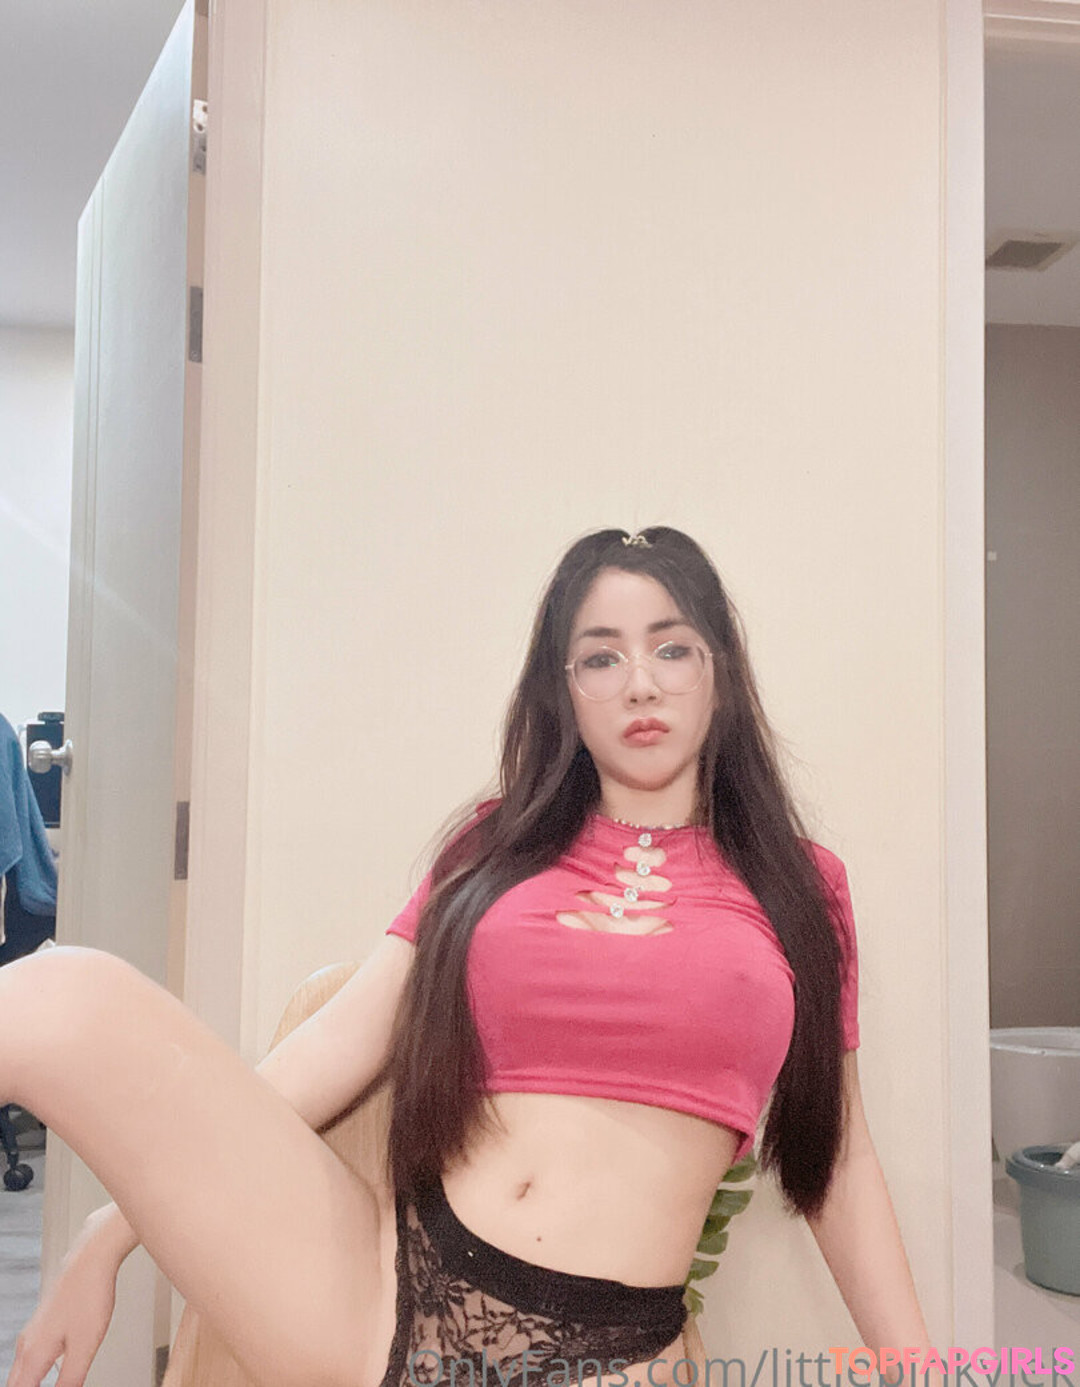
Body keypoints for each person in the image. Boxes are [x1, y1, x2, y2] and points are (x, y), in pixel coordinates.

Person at [2, 526, 935, 1387]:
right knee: (60, 993)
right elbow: (339, 1043)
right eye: (601, 656)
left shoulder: (800, 887)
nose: (640, 683)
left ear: (719, 673)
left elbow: (839, 1159)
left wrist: (917, 1369)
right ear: (564, 691)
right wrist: (108, 1233)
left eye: (671, 647)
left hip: (609, 1345)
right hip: (382, 1289)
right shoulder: (494, 848)